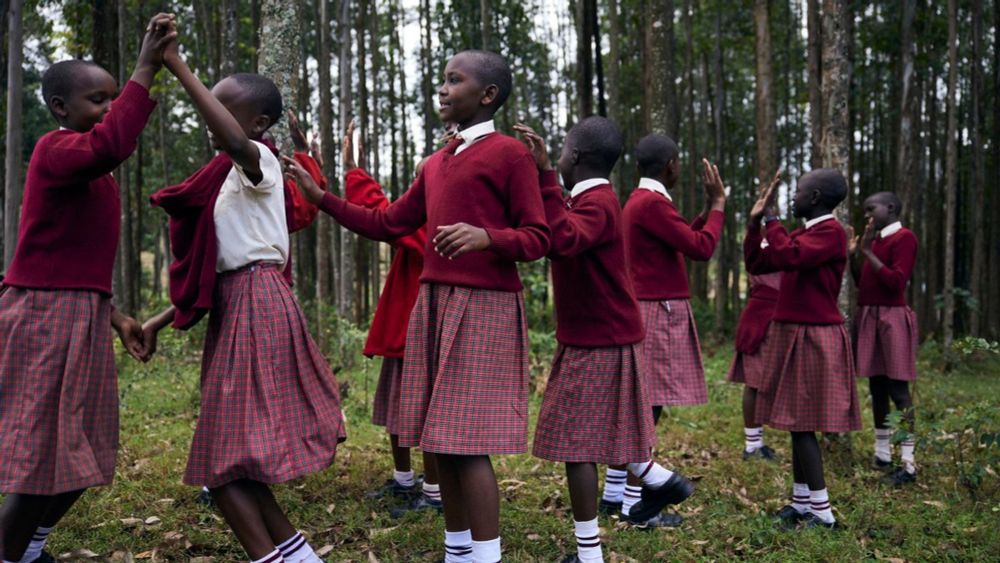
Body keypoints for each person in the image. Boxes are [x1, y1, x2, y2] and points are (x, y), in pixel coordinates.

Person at [290, 50, 549, 563]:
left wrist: (486, 237)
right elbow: (387, 222)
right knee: (439, 440)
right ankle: (458, 552)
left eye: (456, 81)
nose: (444, 89)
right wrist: (322, 198)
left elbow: (538, 237)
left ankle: (488, 555)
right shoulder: (437, 162)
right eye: (443, 80)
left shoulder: (510, 155)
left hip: (485, 308)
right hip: (432, 305)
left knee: (467, 443)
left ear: (488, 95)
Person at [141, 29, 345, 563]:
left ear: (256, 126)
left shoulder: (260, 160)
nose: (213, 119)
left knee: (220, 462)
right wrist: (159, 322)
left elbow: (233, 144)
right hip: (239, 304)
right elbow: (220, 263)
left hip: (258, 305)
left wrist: (179, 66)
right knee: (237, 461)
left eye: (223, 110)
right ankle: (296, 557)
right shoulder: (224, 178)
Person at [0, 14, 175, 563]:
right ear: (60, 109)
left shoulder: (93, 174)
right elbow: (111, 143)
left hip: (81, 316)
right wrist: (146, 67)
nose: (106, 108)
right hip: (44, 322)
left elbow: (73, 268)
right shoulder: (57, 151)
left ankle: (29, 548)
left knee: (83, 456)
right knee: (44, 459)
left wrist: (115, 315)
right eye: (97, 99)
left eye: (111, 98)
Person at [516, 118, 696, 563]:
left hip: (600, 340)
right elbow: (560, 222)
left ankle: (589, 553)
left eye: (560, 152)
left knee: (577, 447)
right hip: (596, 337)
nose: (555, 158)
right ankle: (657, 478)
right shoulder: (588, 199)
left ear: (575, 157)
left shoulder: (598, 203)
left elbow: (561, 239)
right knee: (594, 436)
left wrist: (542, 176)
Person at [602, 134, 725, 526]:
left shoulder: (641, 202)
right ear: (671, 165)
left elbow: (683, 238)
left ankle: (615, 495)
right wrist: (719, 206)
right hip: (657, 312)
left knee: (640, 405)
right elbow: (702, 248)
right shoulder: (652, 203)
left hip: (647, 308)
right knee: (646, 408)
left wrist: (706, 208)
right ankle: (635, 507)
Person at [745, 169, 862, 530]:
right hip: (794, 332)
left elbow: (790, 256)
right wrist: (754, 226)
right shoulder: (806, 233)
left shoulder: (831, 234)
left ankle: (823, 514)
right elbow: (761, 262)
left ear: (814, 198)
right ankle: (800, 503)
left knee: (802, 425)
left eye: (797, 192)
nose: (793, 197)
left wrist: (772, 219)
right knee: (798, 423)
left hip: (814, 336)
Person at [338, 121, 443, 517]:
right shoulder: (420, 216)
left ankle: (433, 492)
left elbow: (381, 214)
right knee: (399, 410)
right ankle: (403, 481)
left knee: (428, 414)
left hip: (423, 333)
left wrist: (355, 172)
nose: (413, 191)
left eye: (420, 182)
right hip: (404, 332)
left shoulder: (433, 222)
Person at [850, 192, 919, 486]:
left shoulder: (905, 238)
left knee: (898, 388)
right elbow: (861, 283)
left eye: (871, 210)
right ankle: (882, 453)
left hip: (892, 317)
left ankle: (908, 462)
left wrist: (867, 253)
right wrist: (857, 253)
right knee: (876, 385)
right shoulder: (874, 242)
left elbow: (895, 282)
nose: (867, 216)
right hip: (869, 317)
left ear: (890, 208)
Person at [726, 172, 783, 462]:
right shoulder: (758, 242)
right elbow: (755, 258)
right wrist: (756, 222)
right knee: (755, 381)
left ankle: (760, 440)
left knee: (774, 381)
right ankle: (752, 444)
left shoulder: (784, 238)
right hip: (760, 319)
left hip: (782, 319)